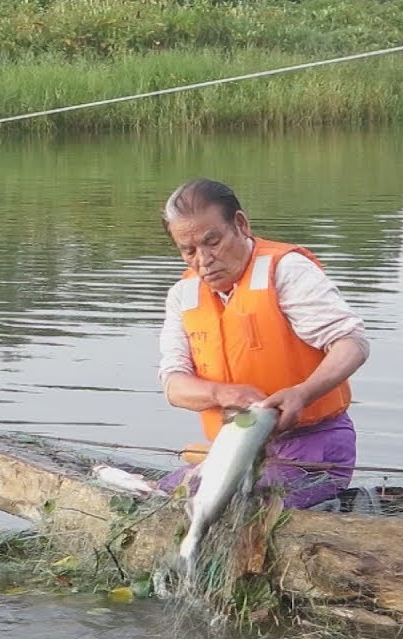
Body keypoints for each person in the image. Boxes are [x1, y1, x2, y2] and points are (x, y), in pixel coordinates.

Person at [154, 178, 370, 509]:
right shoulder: (183, 295)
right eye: (188, 250)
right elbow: (174, 384)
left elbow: (351, 342)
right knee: (164, 501)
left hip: (313, 447)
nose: (204, 259)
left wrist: (303, 393)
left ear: (240, 224)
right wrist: (220, 393)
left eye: (213, 241)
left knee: (246, 506)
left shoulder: (286, 271)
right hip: (234, 450)